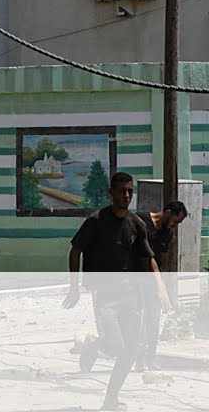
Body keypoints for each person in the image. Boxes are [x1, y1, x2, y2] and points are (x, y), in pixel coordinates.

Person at [65, 173, 172, 411]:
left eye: (130, 191)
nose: (126, 195)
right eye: (122, 191)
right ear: (111, 192)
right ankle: (94, 345)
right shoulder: (96, 221)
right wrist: (74, 287)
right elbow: (75, 251)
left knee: (131, 350)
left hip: (130, 296)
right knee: (115, 347)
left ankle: (110, 399)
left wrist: (160, 286)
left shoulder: (136, 224)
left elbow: (148, 257)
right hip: (105, 295)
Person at [134, 200, 188, 370]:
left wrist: (163, 285)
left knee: (153, 319)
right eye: (175, 221)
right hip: (135, 277)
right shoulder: (140, 221)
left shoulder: (168, 233)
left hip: (153, 279)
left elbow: (161, 260)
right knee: (138, 320)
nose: (174, 226)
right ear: (168, 212)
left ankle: (150, 358)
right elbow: (147, 256)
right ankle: (137, 358)